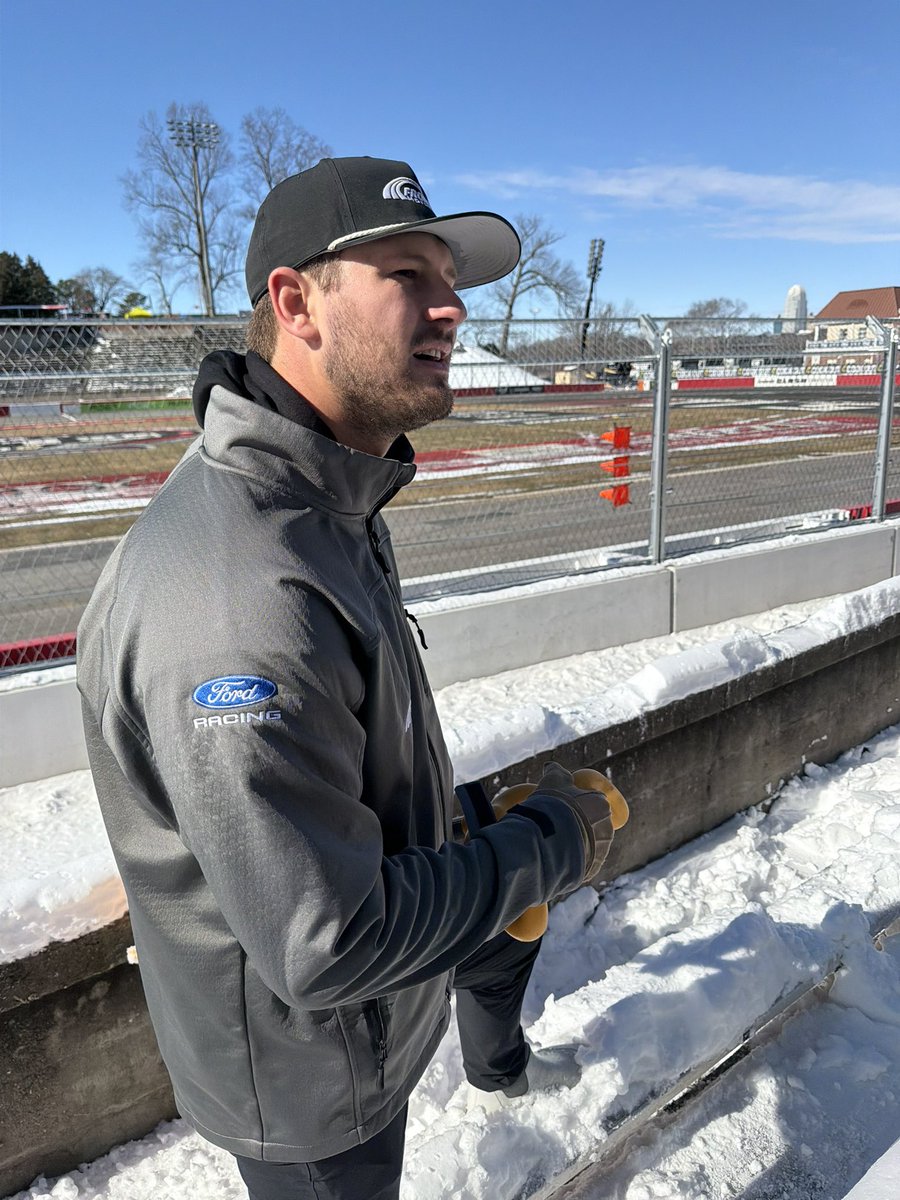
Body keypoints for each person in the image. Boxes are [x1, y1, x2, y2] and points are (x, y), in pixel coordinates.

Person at [77, 156, 617, 1200]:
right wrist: (550, 848)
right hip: (311, 1090)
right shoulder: (241, 597)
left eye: (448, 277)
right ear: (298, 304)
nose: (452, 306)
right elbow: (330, 942)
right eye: (410, 273)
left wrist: (460, 817)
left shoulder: (326, 496)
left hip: (356, 1035)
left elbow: (337, 783)